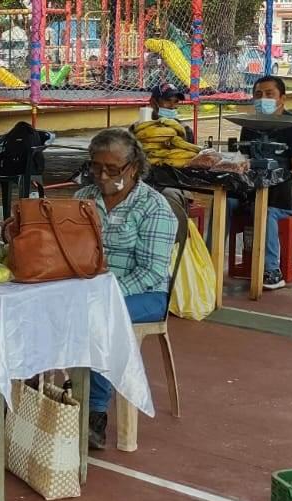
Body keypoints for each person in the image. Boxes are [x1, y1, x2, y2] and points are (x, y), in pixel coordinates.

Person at [74, 129, 177, 449]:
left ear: (133, 167)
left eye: (113, 169)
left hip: (145, 295)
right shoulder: (83, 199)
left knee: (104, 315)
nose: (102, 175)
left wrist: (106, 293)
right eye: (96, 167)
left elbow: (151, 272)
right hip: (91, 289)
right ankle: (41, 394)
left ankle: (95, 413)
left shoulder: (153, 207)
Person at [231, 75, 292, 290]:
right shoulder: (249, 126)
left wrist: (272, 184)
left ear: (282, 98)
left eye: (269, 94)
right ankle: (207, 262)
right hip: (254, 189)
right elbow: (243, 161)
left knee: (267, 210)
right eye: (258, 94)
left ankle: (271, 271)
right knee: (226, 203)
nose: (263, 98)